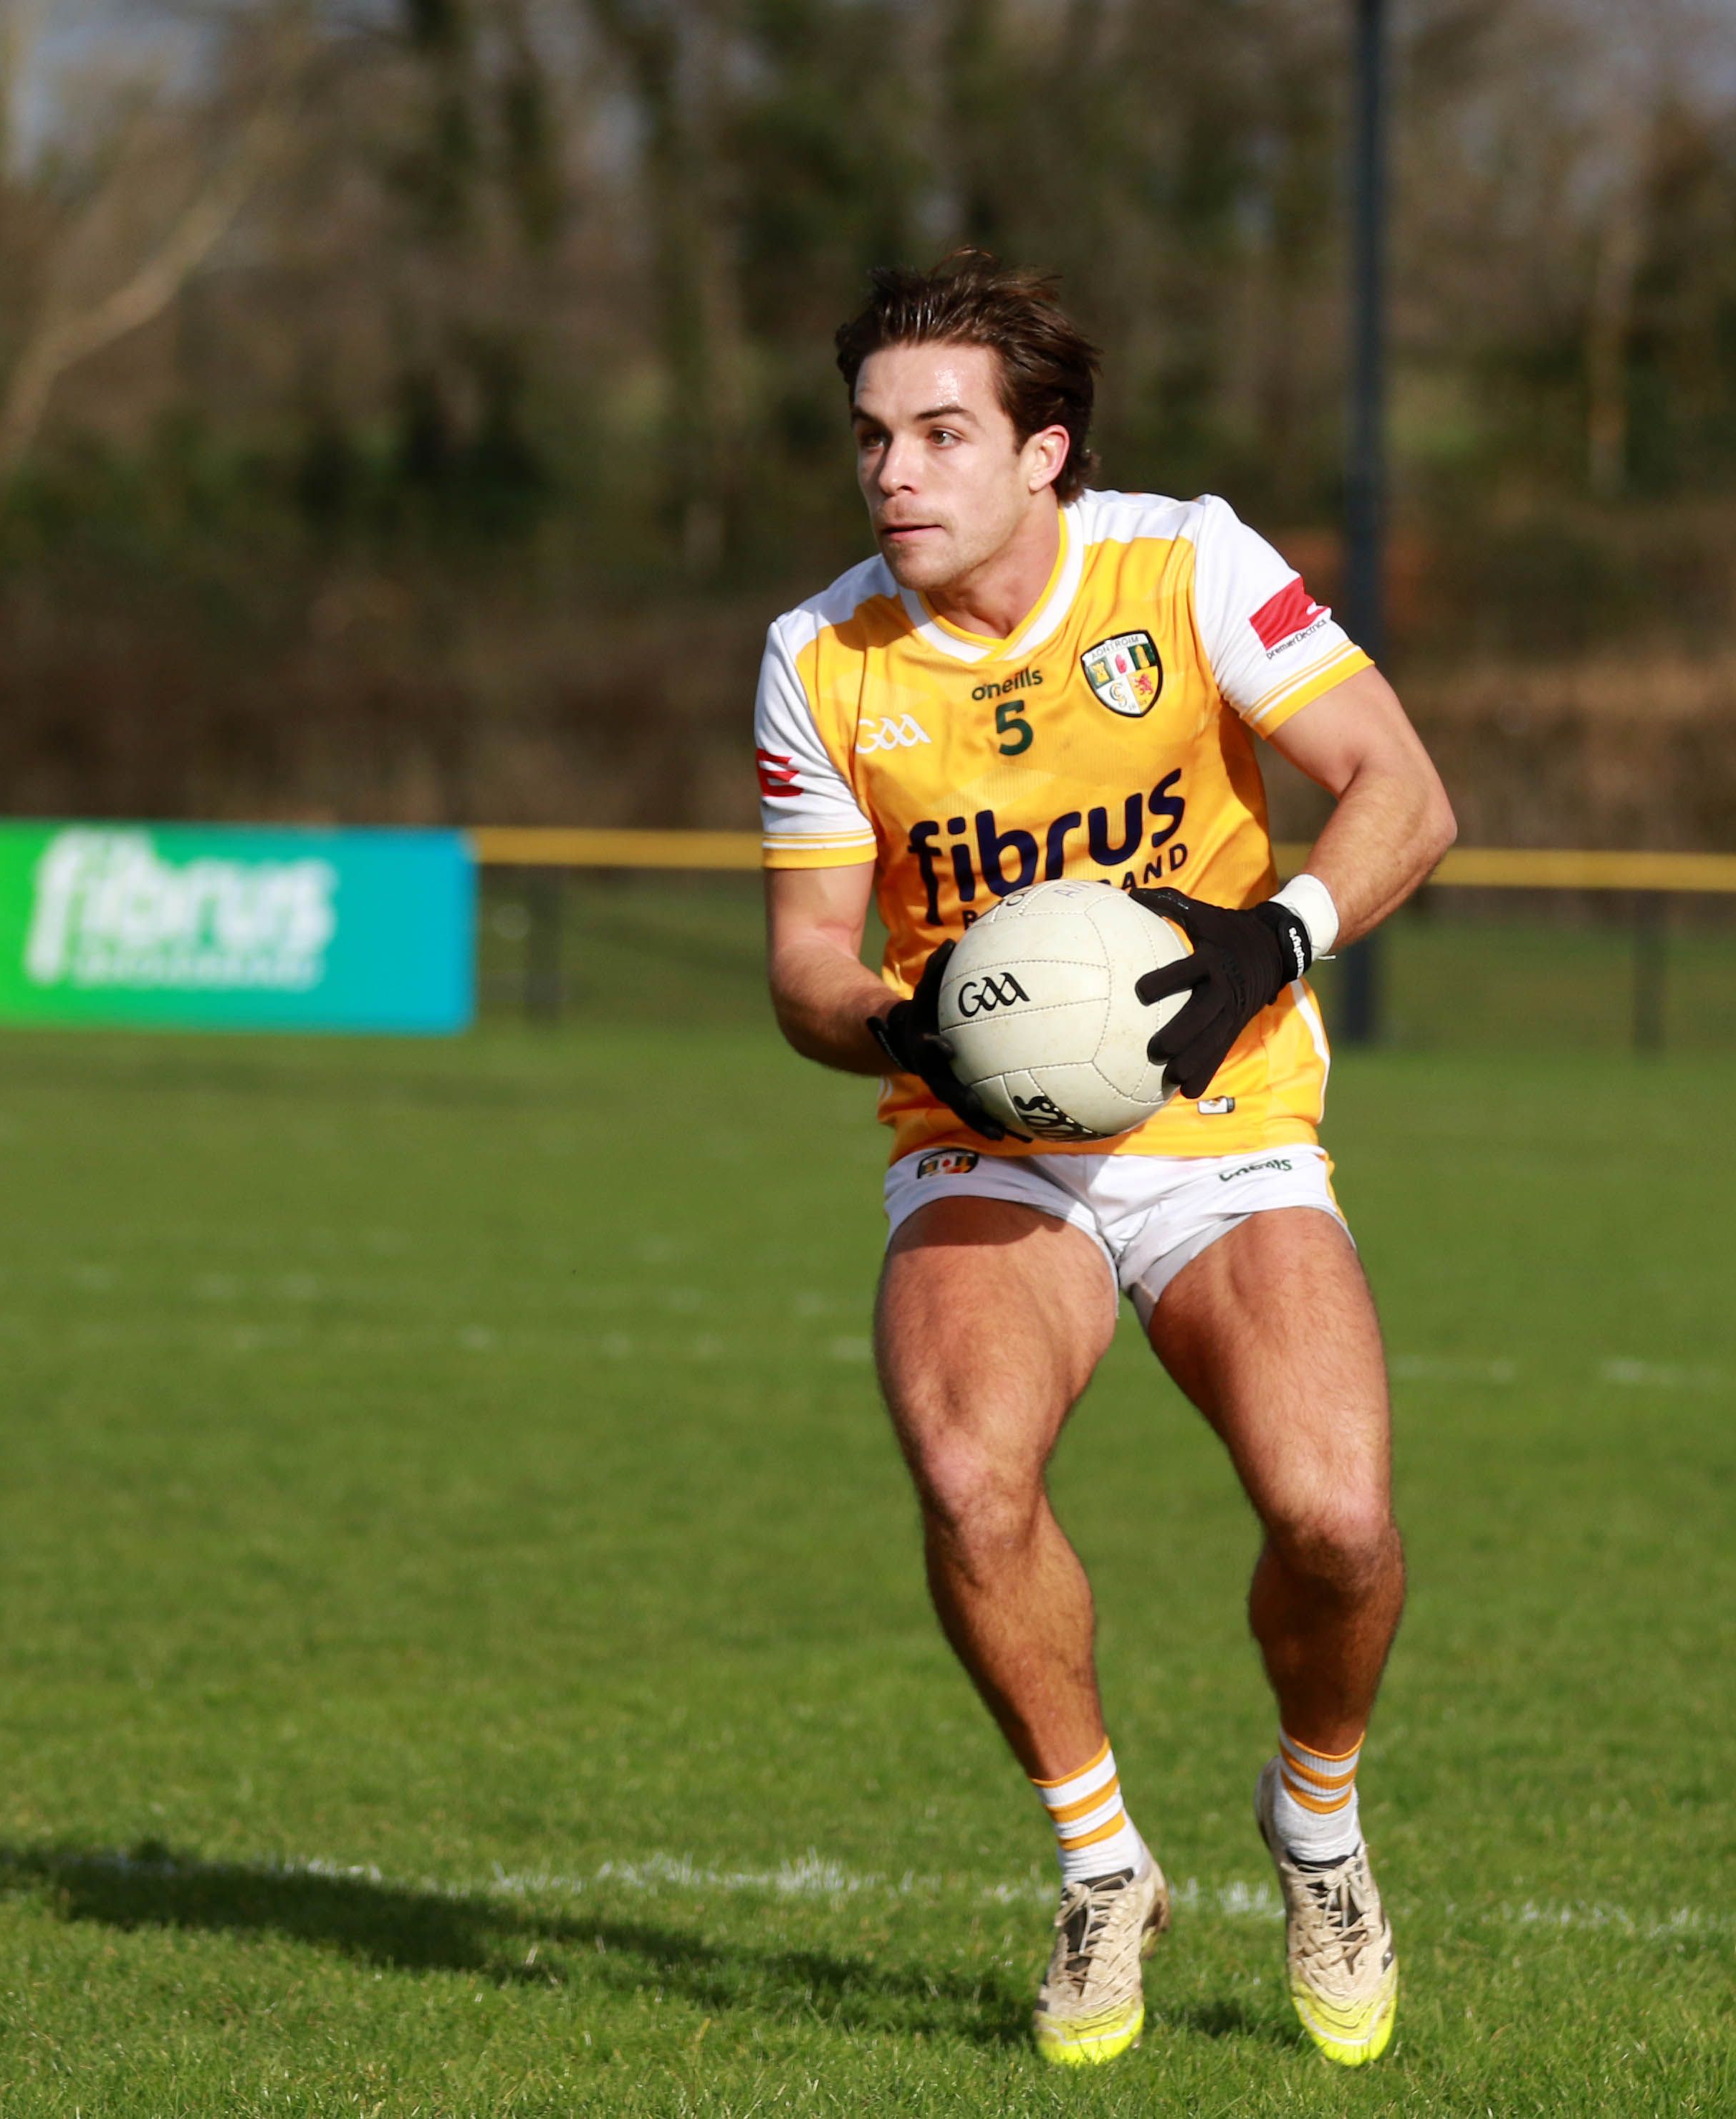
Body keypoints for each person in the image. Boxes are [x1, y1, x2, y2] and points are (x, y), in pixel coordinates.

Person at [757, 254, 1453, 2067]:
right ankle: (1097, 1867)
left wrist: (1269, 943)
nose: (892, 473)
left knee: (1338, 1519)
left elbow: (1403, 791)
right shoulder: (817, 658)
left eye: (938, 434)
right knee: (971, 1475)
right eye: (869, 439)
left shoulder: (1189, 564)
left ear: (1042, 450)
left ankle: (1315, 1823)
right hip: (982, 1148)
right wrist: (908, 1027)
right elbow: (807, 972)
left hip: (1222, 1125)